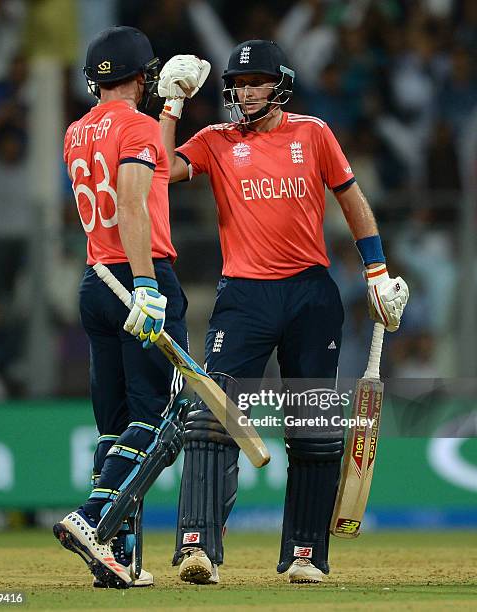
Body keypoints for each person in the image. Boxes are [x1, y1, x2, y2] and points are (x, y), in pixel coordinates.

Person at [158, 40, 409, 584]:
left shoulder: (313, 133)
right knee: (211, 418)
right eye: (238, 84)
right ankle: (197, 547)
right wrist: (170, 107)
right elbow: (154, 171)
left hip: (310, 295)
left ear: (280, 84)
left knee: (313, 428)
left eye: (256, 82)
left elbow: (351, 198)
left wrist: (377, 270)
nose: (245, 92)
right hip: (243, 296)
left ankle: (305, 554)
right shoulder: (214, 141)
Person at [53, 26, 192, 589]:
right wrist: (147, 286)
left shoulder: (74, 132)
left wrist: (173, 108)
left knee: (116, 425)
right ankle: (93, 519)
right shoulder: (135, 126)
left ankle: (119, 558)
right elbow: (134, 203)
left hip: (95, 281)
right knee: (157, 417)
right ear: (142, 77)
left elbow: (148, 164)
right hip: (140, 274)